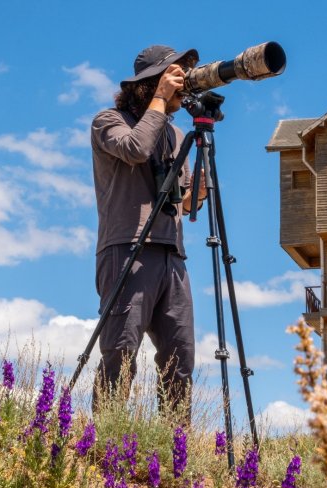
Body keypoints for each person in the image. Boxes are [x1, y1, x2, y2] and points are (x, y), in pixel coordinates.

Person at [90, 45, 206, 419]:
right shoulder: (108, 120)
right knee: (120, 350)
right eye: (170, 78)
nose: (178, 89)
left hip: (172, 253)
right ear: (147, 85)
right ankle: (104, 439)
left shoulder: (174, 134)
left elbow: (186, 204)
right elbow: (136, 149)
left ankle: (176, 448)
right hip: (127, 246)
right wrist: (160, 97)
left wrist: (201, 184)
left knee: (180, 357)